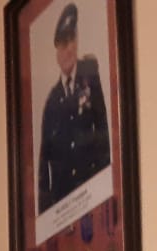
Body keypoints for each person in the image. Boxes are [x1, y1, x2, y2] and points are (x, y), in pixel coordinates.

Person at [37, 2, 111, 213]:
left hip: (92, 192)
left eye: (71, 40)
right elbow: (43, 165)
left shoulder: (90, 73)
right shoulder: (51, 102)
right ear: (56, 52)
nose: (68, 49)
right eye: (63, 44)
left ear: (77, 41)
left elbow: (103, 128)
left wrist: (106, 184)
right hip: (64, 205)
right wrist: (45, 216)